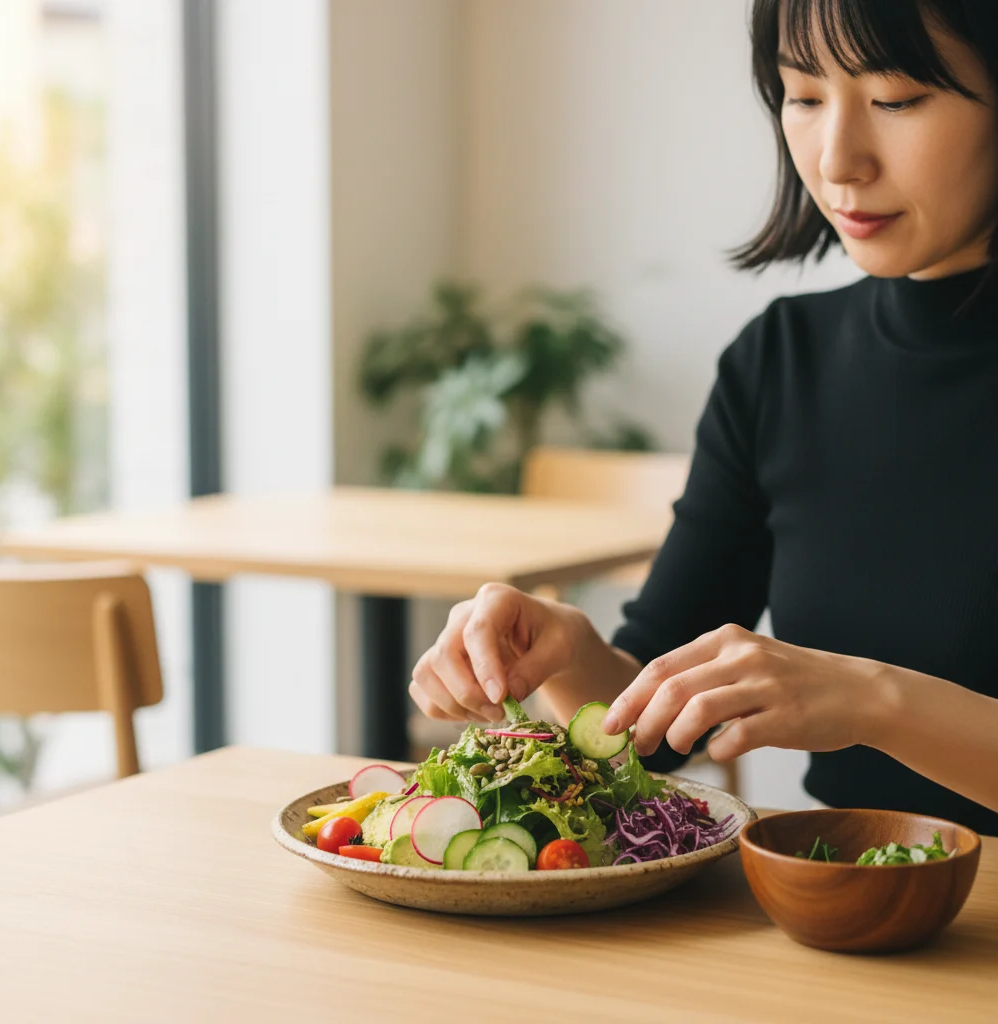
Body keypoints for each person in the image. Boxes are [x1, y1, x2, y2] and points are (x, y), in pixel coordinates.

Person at [408, 0, 998, 835]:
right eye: (803, 95)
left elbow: (867, 703)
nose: (839, 159)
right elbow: (647, 735)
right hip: (848, 914)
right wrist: (566, 655)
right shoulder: (782, 361)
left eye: (897, 98)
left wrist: (877, 701)